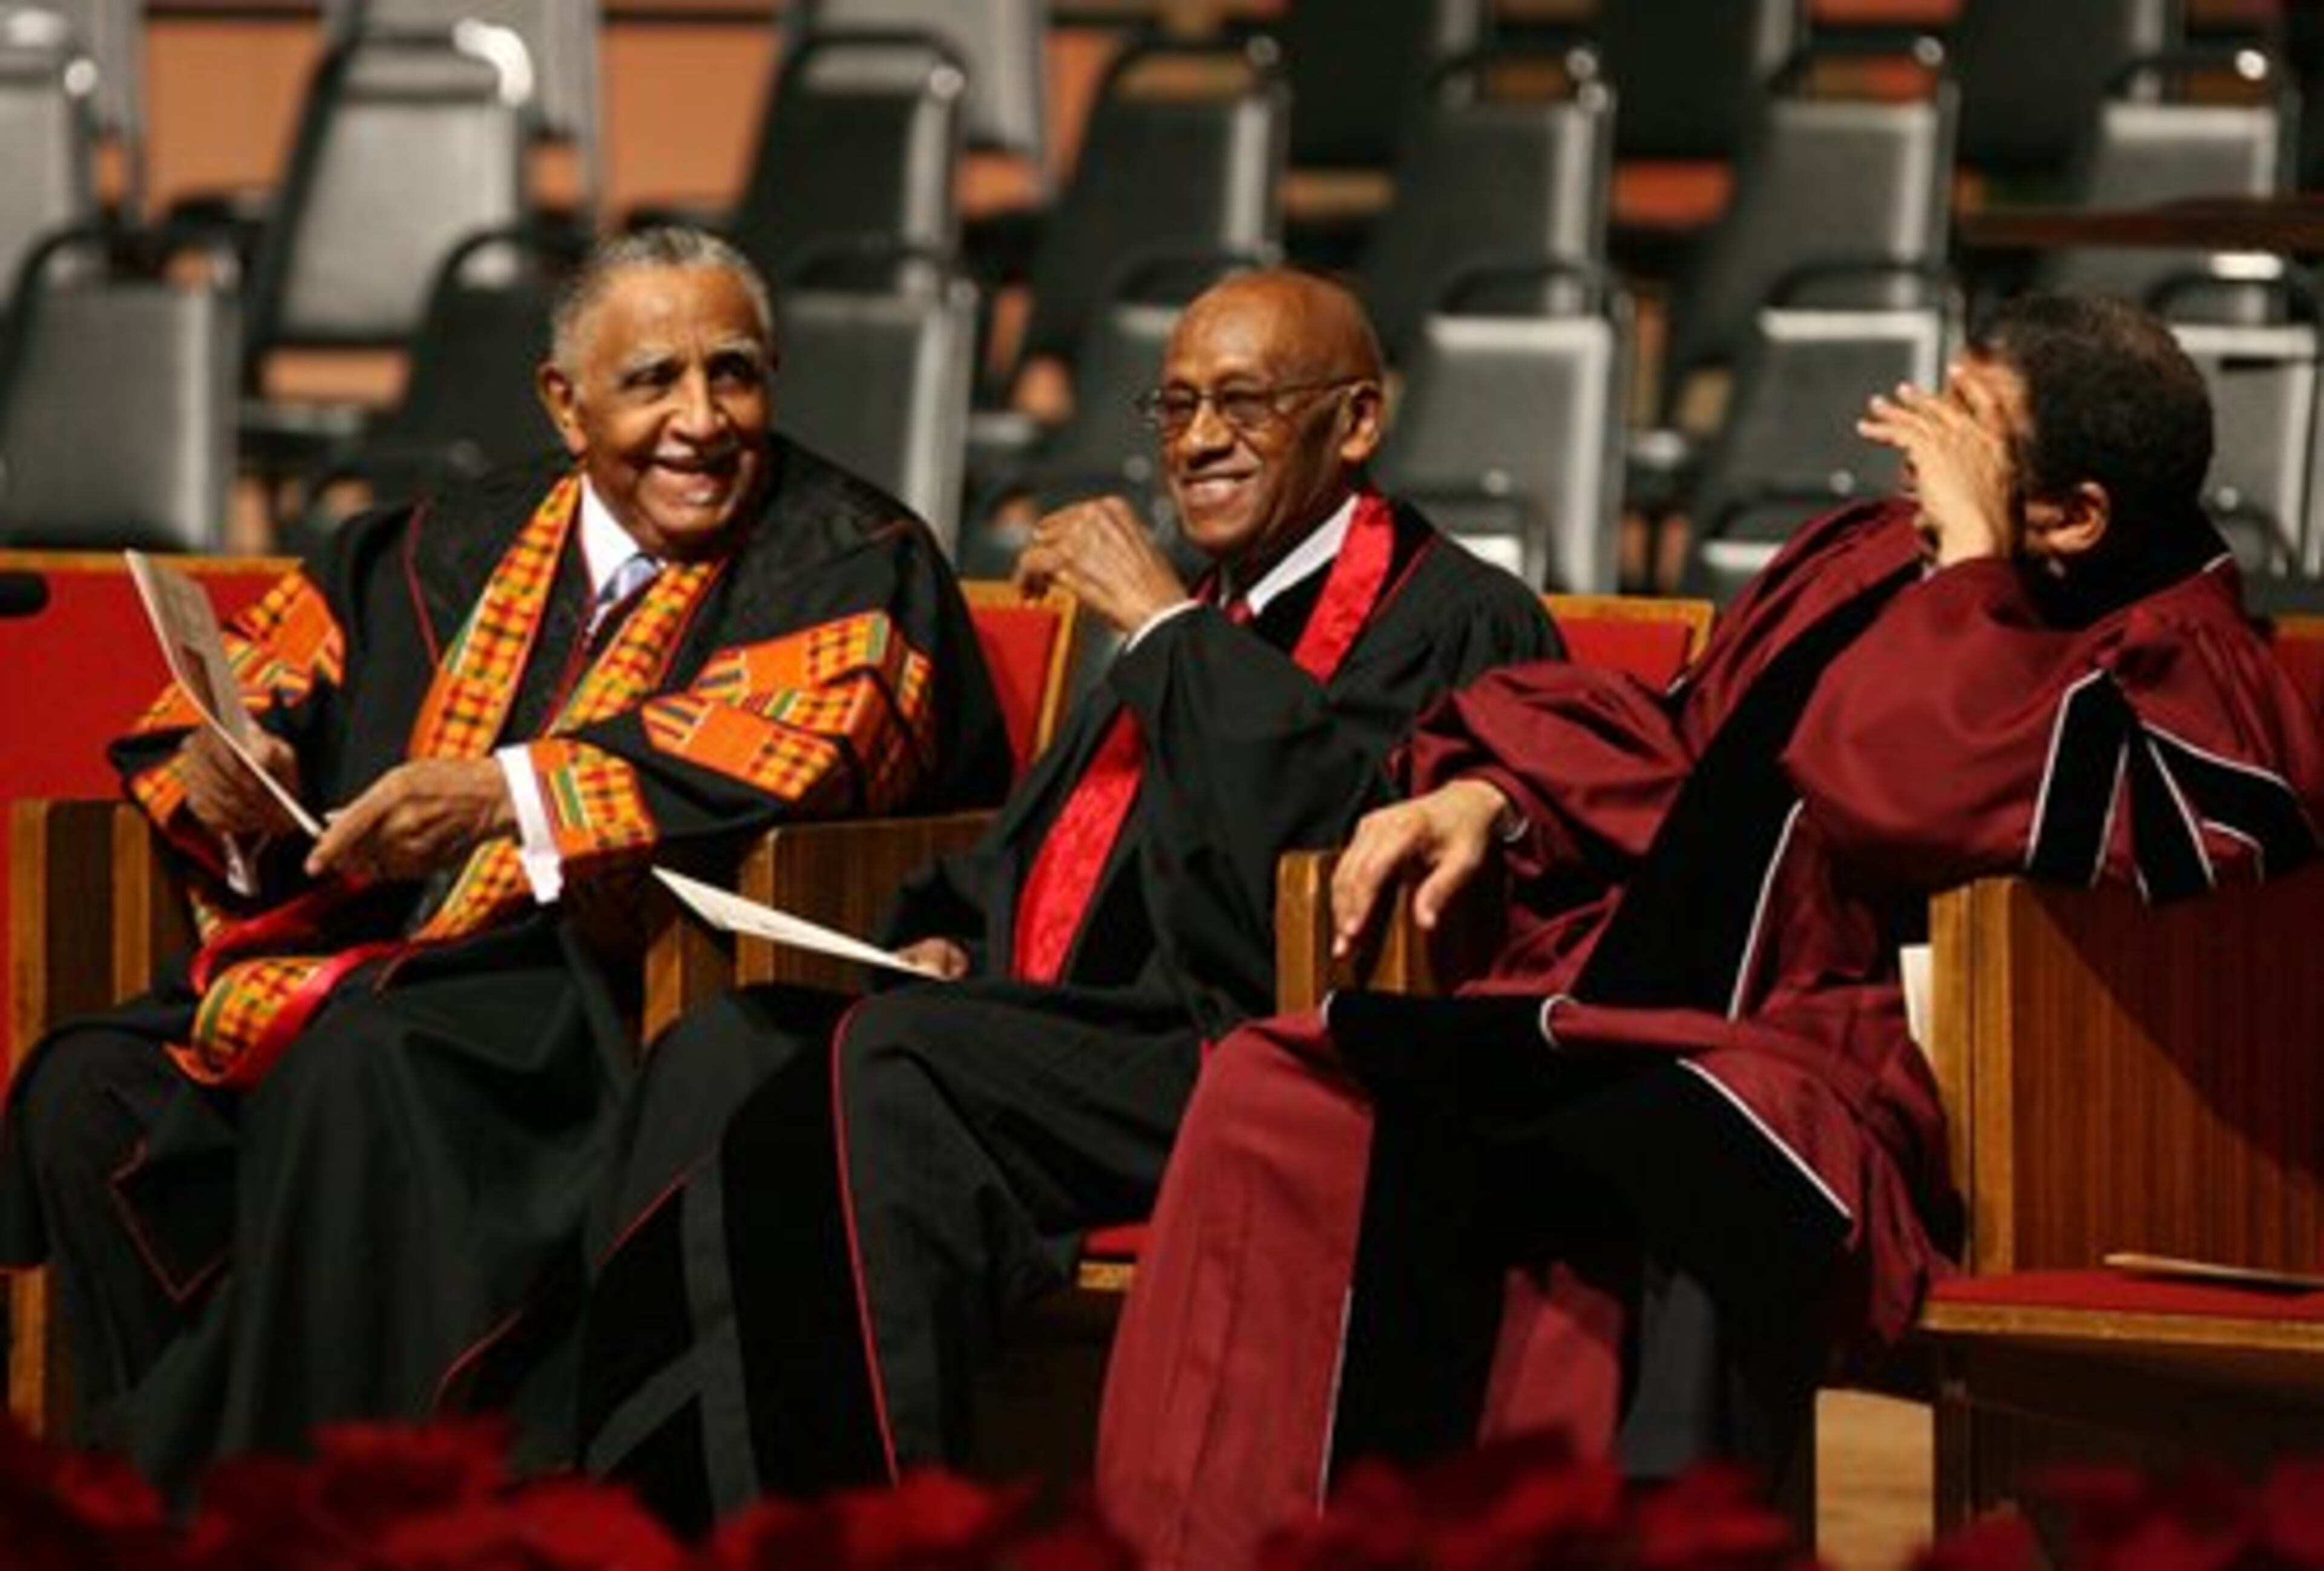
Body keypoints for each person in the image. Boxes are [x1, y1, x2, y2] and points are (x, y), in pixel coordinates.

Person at [1096, 292, 2324, 1570]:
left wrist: (1969, 570)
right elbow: (1685, 740)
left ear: (2070, 514)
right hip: (1638, 995)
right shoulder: (1865, 554)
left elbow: (1904, 781)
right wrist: (1495, 798)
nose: (1918, 445)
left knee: (1676, 1149)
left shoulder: (2176, 667)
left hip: (1858, 1062)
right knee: (1274, 1089)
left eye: (1963, 426)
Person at [0, 228, 1013, 1495]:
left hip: (622, 992)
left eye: (735, 374)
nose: (701, 420)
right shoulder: (427, 545)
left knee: (362, 1059)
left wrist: (505, 792)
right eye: (653, 381)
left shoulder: (852, 558)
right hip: (384, 968)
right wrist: (226, 775)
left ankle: (277, 1497)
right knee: (87, 1089)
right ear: (564, 400)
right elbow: (237, 707)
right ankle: (178, 1486)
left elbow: (811, 744)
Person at [559, 267, 1558, 1527]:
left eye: (1244, 404)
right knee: (721, 1045)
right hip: (1072, 1037)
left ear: (1356, 421)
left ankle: (858, 1529)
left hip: (1257, 1051)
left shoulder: (1458, 619)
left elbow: (1317, 855)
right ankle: (635, 1506)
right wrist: (942, 931)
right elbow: (1037, 853)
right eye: (1179, 404)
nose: (1198, 441)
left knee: (895, 1065)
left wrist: (1156, 627)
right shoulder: (1206, 616)